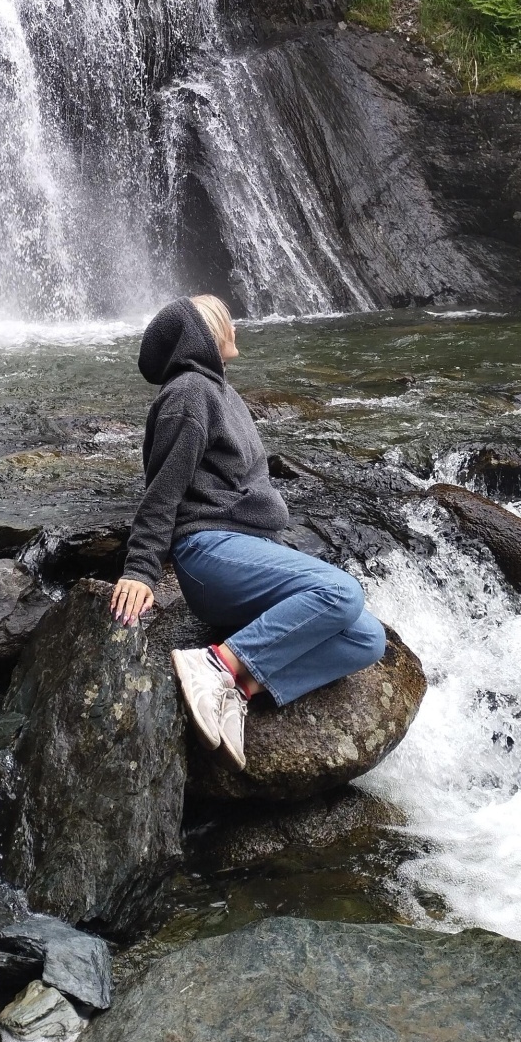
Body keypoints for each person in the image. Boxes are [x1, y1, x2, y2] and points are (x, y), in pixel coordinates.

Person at [110, 293, 387, 770]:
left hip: (242, 550)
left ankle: (239, 686)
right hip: (207, 552)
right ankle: (214, 665)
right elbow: (162, 491)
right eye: (223, 319)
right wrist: (140, 569)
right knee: (341, 592)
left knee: (367, 639)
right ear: (203, 333)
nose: (234, 326)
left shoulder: (222, 392)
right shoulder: (189, 393)